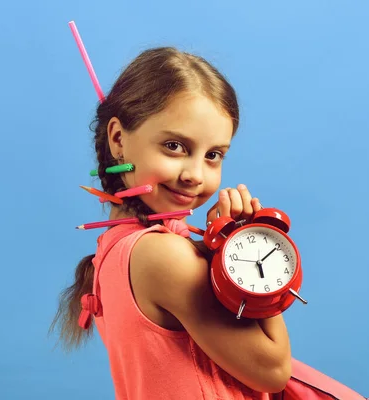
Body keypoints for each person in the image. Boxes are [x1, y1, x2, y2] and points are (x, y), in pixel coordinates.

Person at [51, 47, 291, 399]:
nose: (195, 175)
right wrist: (249, 242)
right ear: (118, 139)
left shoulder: (114, 248)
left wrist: (219, 249)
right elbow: (273, 370)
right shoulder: (163, 255)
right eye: (175, 146)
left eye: (213, 155)